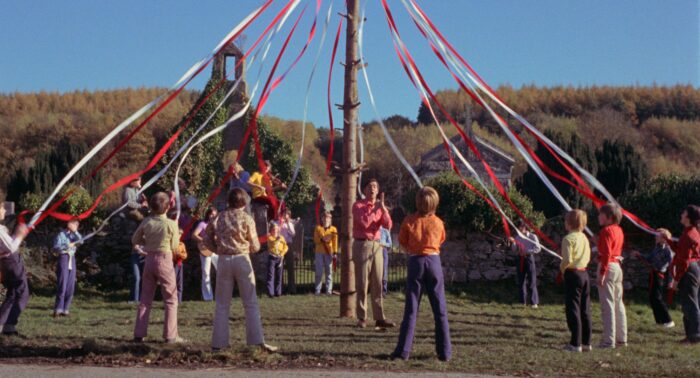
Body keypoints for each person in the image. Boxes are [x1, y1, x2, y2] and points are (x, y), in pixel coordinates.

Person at [204, 188, 277, 352]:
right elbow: (256, 245)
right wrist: (251, 248)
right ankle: (256, 341)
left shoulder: (218, 217)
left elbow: (206, 237)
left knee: (222, 303)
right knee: (250, 301)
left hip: (223, 260)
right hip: (242, 259)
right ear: (244, 203)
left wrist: (217, 249)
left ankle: (218, 343)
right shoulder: (247, 218)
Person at [391, 186, 451, 361]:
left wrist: (412, 248)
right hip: (433, 262)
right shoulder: (439, 222)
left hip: (416, 261)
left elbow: (402, 240)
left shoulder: (410, 221)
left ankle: (403, 351)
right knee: (440, 308)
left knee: (411, 308)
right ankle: (445, 352)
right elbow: (442, 239)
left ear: (417, 201)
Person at [131, 192, 184, 344]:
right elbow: (174, 247)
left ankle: (139, 334)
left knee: (145, 298)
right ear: (168, 207)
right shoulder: (171, 224)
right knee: (170, 299)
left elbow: (135, 239)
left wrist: (146, 243)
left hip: (149, 260)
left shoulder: (147, 222)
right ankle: (170, 335)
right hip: (164, 259)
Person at [352, 179, 395, 329]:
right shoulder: (358, 205)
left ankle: (379, 318)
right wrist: (375, 210)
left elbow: (388, 225)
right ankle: (362, 317)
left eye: (375, 186)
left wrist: (383, 209)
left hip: (377, 245)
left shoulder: (380, 207)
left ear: (378, 190)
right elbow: (365, 223)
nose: (373, 189)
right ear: (364, 190)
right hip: (362, 244)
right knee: (362, 282)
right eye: (370, 186)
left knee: (378, 281)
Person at [664, 205, 700, 344]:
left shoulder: (689, 234)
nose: (681, 214)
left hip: (689, 270)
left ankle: (695, 336)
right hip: (692, 269)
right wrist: (668, 239)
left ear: (688, 217)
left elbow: (683, 261)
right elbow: (679, 251)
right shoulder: (690, 231)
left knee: (690, 304)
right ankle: (690, 335)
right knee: (688, 303)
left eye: (683, 212)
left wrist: (676, 280)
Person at [559, 209, 592, 353]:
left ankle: (575, 343)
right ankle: (586, 342)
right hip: (584, 274)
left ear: (569, 223)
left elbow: (567, 260)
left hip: (572, 274)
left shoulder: (568, 239)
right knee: (585, 309)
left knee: (573, 308)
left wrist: (562, 269)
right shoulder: (584, 237)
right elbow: (588, 255)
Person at [595, 203, 627, 349]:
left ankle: (609, 340)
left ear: (609, 217)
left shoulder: (606, 231)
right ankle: (622, 338)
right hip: (617, 267)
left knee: (607, 304)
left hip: (608, 267)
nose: (598, 216)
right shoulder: (619, 230)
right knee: (618, 303)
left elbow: (607, 253)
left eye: (601, 214)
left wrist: (602, 272)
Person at [633, 230, 674, 327]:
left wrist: (671, 281)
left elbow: (672, 266)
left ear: (664, 238)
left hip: (660, 276)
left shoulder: (668, 250)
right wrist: (639, 255)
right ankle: (659, 321)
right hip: (653, 274)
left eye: (657, 235)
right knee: (652, 298)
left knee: (657, 298)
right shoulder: (656, 248)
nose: (655, 237)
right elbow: (649, 258)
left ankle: (668, 320)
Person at [0, 204, 30, 336]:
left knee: (13, 293)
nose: (4, 210)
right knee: (22, 292)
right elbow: (11, 247)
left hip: (6, 263)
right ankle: (8, 324)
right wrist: (20, 235)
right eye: (1, 208)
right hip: (11, 262)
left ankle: (5, 324)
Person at [52, 218, 82, 317]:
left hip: (72, 259)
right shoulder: (61, 234)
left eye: (77, 225)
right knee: (62, 284)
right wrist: (66, 246)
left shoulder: (75, 235)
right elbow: (55, 247)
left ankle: (66, 309)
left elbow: (81, 241)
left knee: (70, 286)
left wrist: (75, 232)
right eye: (74, 224)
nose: (75, 226)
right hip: (64, 258)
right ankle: (58, 308)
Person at [508, 220, 541, 308]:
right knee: (521, 280)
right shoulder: (517, 237)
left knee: (532, 280)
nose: (520, 229)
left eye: (521, 227)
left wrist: (526, 252)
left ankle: (534, 302)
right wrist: (513, 243)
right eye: (518, 227)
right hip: (520, 259)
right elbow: (514, 250)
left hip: (529, 259)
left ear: (525, 227)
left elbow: (538, 248)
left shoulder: (533, 236)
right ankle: (522, 301)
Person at [192, 207, 218, 302]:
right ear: (208, 214)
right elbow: (194, 235)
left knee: (222, 271)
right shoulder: (202, 224)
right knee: (206, 273)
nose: (213, 216)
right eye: (211, 214)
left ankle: (222, 294)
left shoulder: (217, 225)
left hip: (216, 250)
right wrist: (204, 240)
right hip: (205, 250)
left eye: (214, 215)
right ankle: (208, 297)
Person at [313, 211, 337, 295]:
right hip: (319, 252)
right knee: (319, 272)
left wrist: (335, 252)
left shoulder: (333, 229)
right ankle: (317, 290)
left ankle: (329, 290)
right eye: (325, 217)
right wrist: (322, 239)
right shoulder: (318, 228)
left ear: (330, 219)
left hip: (329, 252)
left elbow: (335, 242)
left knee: (329, 272)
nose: (326, 219)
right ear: (322, 218)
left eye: (328, 217)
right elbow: (315, 240)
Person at [266, 222, 288, 298]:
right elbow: (272, 243)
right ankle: (270, 293)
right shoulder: (269, 237)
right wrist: (277, 240)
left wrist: (282, 254)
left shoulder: (281, 237)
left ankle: (278, 292)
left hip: (279, 258)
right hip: (272, 258)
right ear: (271, 230)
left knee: (279, 276)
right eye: (273, 229)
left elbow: (286, 247)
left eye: (276, 229)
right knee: (271, 275)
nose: (275, 231)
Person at [173, 231, 188, 304]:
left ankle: (179, 301)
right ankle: (172, 300)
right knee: (172, 283)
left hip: (179, 264)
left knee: (179, 283)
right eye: (178, 233)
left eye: (181, 234)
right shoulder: (172, 244)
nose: (180, 235)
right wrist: (178, 254)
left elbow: (185, 255)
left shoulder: (181, 244)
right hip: (172, 264)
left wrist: (180, 255)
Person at [379, 226, 392, 297]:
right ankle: (375, 289)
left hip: (383, 249)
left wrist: (382, 244)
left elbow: (390, 244)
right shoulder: (372, 230)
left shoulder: (385, 231)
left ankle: (384, 290)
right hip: (374, 249)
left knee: (384, 270)